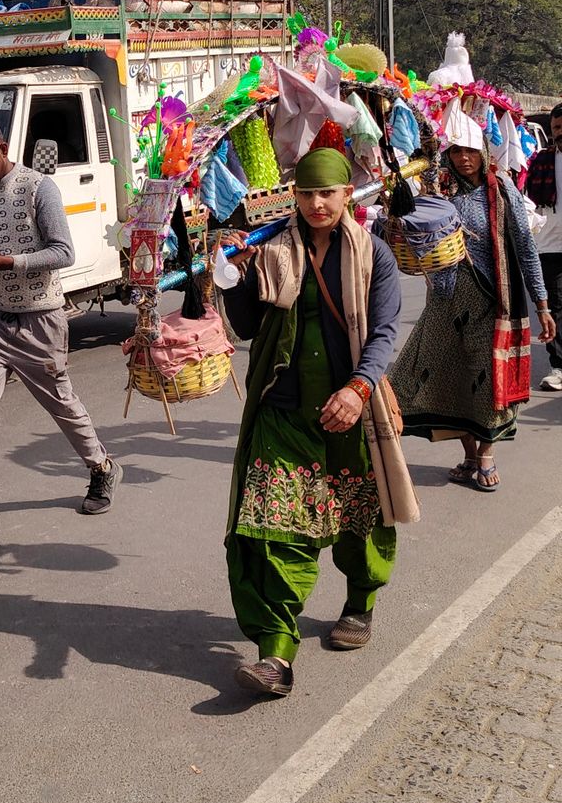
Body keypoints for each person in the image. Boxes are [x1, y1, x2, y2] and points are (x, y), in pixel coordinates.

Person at [221, 147, 414, 697]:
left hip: (351, 413)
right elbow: (248, 327)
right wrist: (233, 275)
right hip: (282, 411)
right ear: (293, 197)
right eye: (305, 194)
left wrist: (358, 389)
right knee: (272, 531)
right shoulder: (272, 251)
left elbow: (383, 335)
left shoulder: (374, 256)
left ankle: (360, 602)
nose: (316, 204)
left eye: (326, 193)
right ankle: (276, 655)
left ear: (347, 195)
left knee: (359, 522)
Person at [0, 114, 121, 556]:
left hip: (41, 319)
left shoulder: (39, 188)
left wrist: (8, 263)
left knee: (62, 404)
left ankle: (101, 466)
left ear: (1, 147)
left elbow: (63, 252)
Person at [390, 112, 555, 491]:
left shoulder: (502, 192)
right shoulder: (440, 193)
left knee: (486, 379)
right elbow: (414, 235)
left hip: (490, 302)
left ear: (483, 152)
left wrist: (542, 303)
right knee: (435, 373)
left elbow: (526, 249)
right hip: (445, 302)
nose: (464, 158)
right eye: (456, 151)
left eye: (470, 151)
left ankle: (485, 455)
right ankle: (466, 452)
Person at [524, 103, 562, 391]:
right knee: (556, 307)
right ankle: (558, 367)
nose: (560, 133)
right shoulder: (540, 161)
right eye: (557, 128)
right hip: (550, 244)